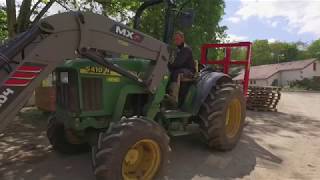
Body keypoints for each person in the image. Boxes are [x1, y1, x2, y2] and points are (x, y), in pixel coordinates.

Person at [167, 31, 195, 103]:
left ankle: (173, 98)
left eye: (177, 39)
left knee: (175, 73)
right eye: (174, 39)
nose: (175, 41)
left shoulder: (186, 49)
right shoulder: (177, 50)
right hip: (181, 69)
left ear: (183, 39)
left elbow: (178, 63)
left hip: (189, 71)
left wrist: (168, 65)